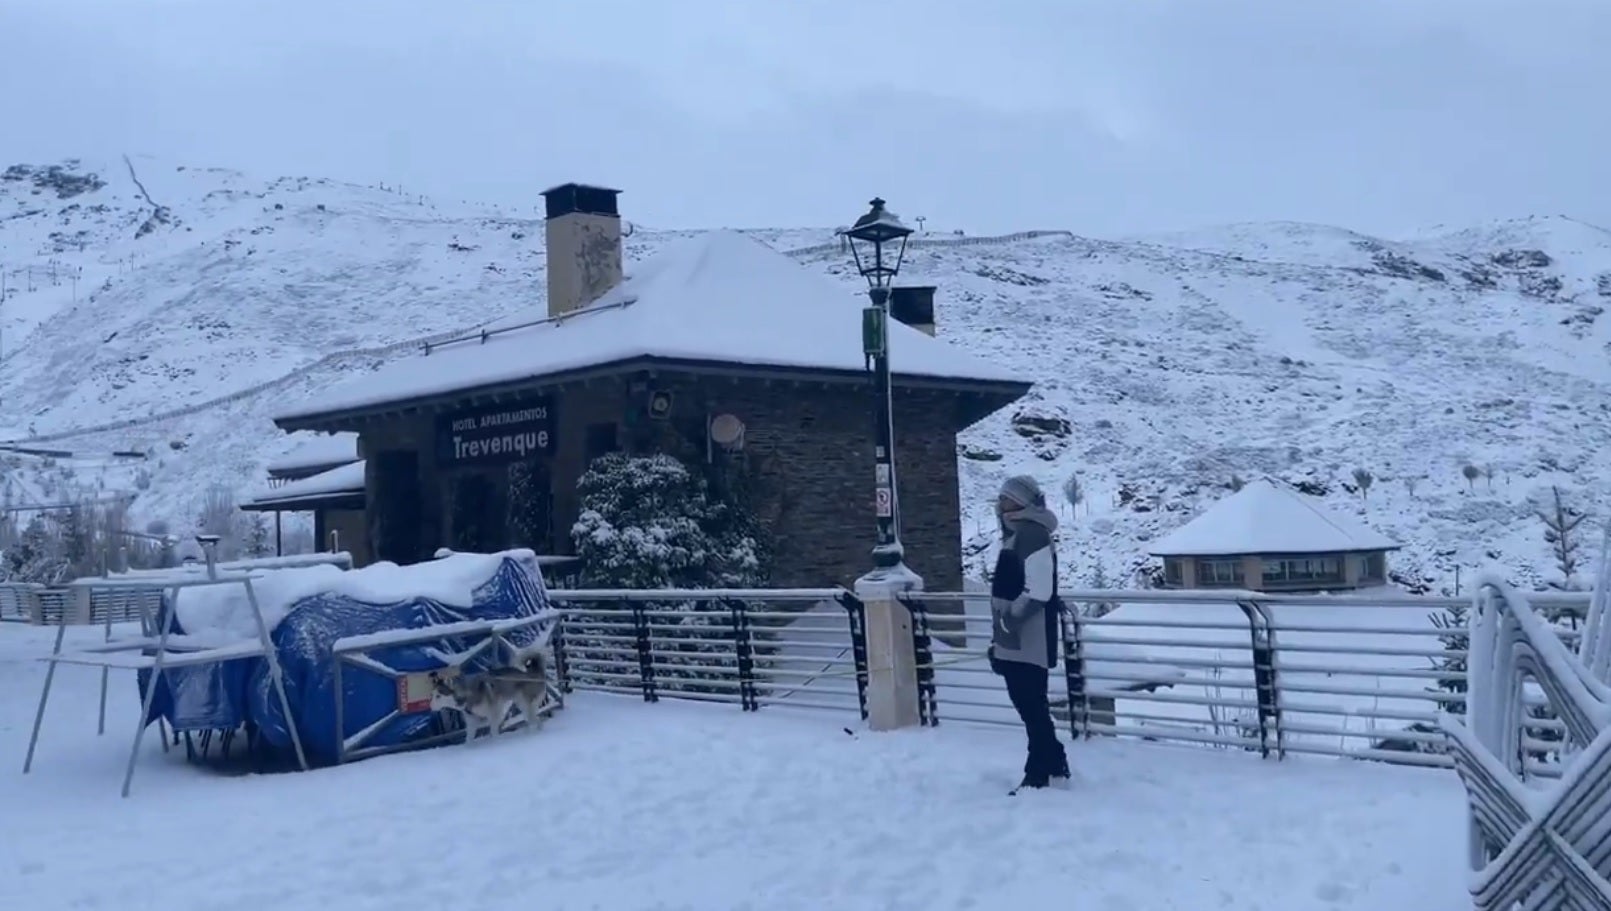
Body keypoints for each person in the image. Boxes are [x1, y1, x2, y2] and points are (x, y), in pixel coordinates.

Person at [988, 474, 1070, 793]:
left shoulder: (1031, 534)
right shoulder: (1019, 533)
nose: (1001, 502)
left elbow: (1039, 591)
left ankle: (1037, 773)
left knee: (1030, 705)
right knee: (1030, 705)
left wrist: (1010, 621)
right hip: (1016, 638)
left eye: (1006, 498)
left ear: (1021, 502)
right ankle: (1054, 761)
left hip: (1028, 638)